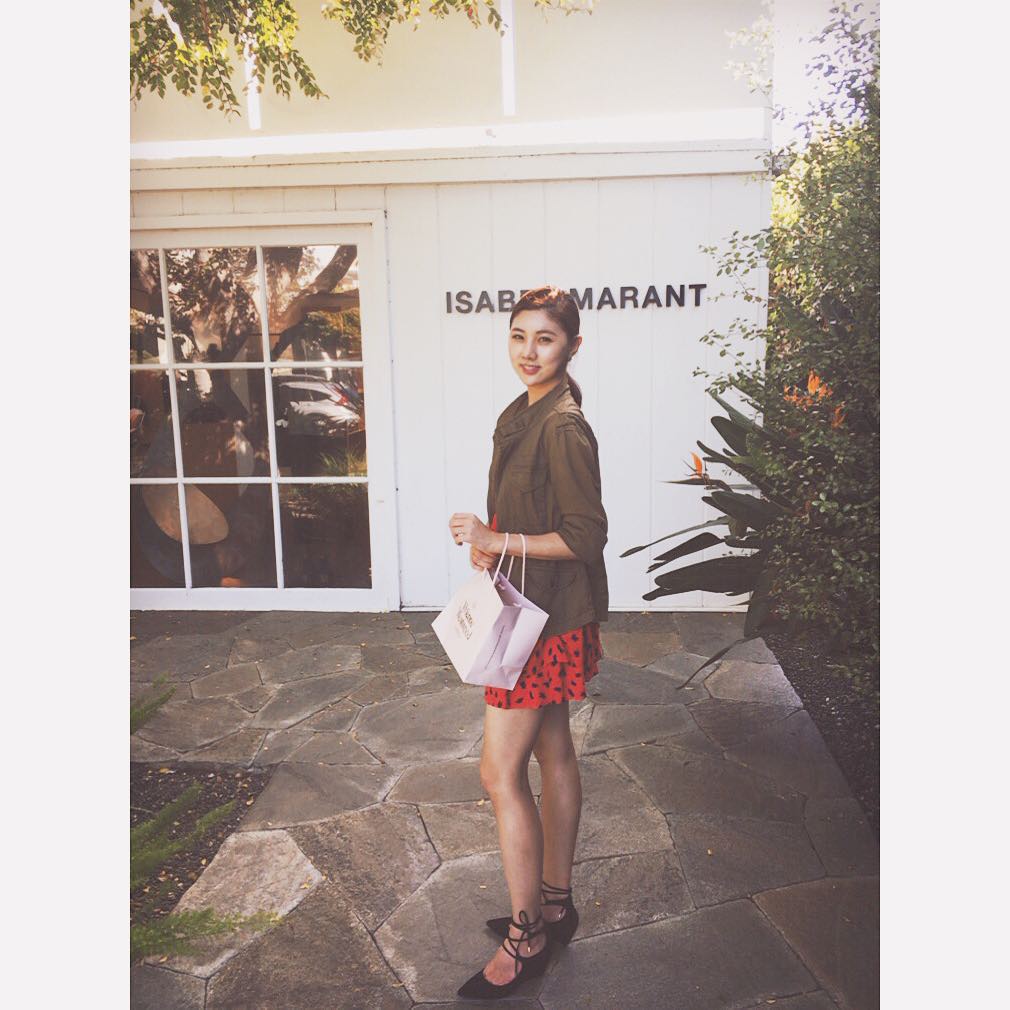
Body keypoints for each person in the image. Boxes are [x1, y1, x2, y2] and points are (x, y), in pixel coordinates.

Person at [447, 285, 609, 999]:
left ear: (572, 345)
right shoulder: (525, 410)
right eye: (518, 336)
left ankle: (527, 938)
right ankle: (556, 904)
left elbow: (585, 535)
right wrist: (491, 543)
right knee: (554, 751)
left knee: (497, 773)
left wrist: (499, 538)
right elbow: (529, 514)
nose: (528, 351)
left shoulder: (563, 425)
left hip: (541, 623)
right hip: (542, 609)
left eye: (544, 338)